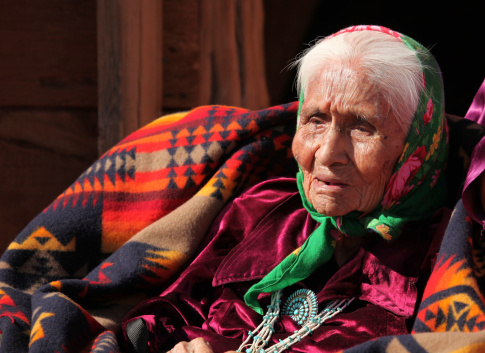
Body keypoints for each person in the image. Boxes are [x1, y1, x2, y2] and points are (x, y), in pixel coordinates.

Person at [120, 25, 451, 353]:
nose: (327, 153)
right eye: (316, 119)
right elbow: (169, 312)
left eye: (363, 127)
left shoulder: (444, 259)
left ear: (415, 148)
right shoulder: (262, 210)